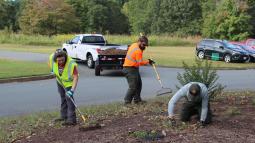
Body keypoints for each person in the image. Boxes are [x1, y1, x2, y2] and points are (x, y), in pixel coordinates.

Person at [49, 49, 79, 126]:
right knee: (63, 97)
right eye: (58, 60)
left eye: (62, 60)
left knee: (69, 99)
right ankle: (64, 116)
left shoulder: (71, 63)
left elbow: (76, 77)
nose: (61, 62)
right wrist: (52, 70)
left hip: (69, 83)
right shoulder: (52, 58)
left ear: (65, 57)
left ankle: (72, 120)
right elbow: (51, 63)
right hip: (60, 80)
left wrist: (72, 90)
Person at [122, 36, 155, 104]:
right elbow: (139, 62)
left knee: (139, 84)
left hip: (133, 68)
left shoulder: (134, 44)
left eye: (145, 45)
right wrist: (149, 61)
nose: (144, 47)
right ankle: (127, 101)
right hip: (129, 69)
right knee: (133, 86)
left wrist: (142, 48)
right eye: (143, 45)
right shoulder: (138, 51)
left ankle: (137, 100)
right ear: (139, 42)